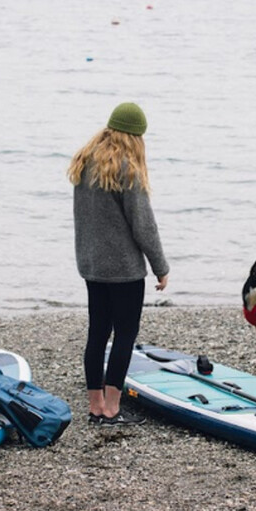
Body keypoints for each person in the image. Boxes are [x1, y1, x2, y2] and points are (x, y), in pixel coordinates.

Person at [67, 102, 169, 426]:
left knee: (97, 333)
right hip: (124, 270)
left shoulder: (84, 162)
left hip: (93, 266)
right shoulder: (127, 168)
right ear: (135, 137)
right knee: (125, 335)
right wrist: (160, 266)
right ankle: (112, 408)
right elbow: (143, 225)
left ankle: (95, 406)